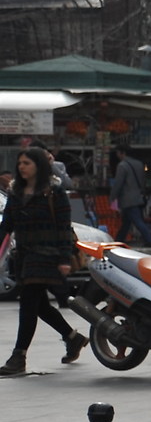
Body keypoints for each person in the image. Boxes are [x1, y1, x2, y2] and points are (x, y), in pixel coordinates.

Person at [2, 146, 86, 374]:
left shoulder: (54, 191)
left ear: (39, 165)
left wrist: (64, 258)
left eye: (27, 163)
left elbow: (63, 227)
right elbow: (6, 225)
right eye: (20, 163)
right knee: (39, 306)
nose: (22, 167)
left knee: (28, 302)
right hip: (25, 256)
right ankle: (73, 337)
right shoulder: (15, 191)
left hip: (47, 256)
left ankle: (18, 357)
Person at [107, 148, 151, 246]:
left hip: (128, 199)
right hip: (139, 197)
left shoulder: (122, 166)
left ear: (122, 153)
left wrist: (112, 197)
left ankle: (150, 241)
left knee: (137, 221)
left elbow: (118, 183)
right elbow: (143, 181)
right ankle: (119, 240)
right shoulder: (139, 164)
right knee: (127, 222)